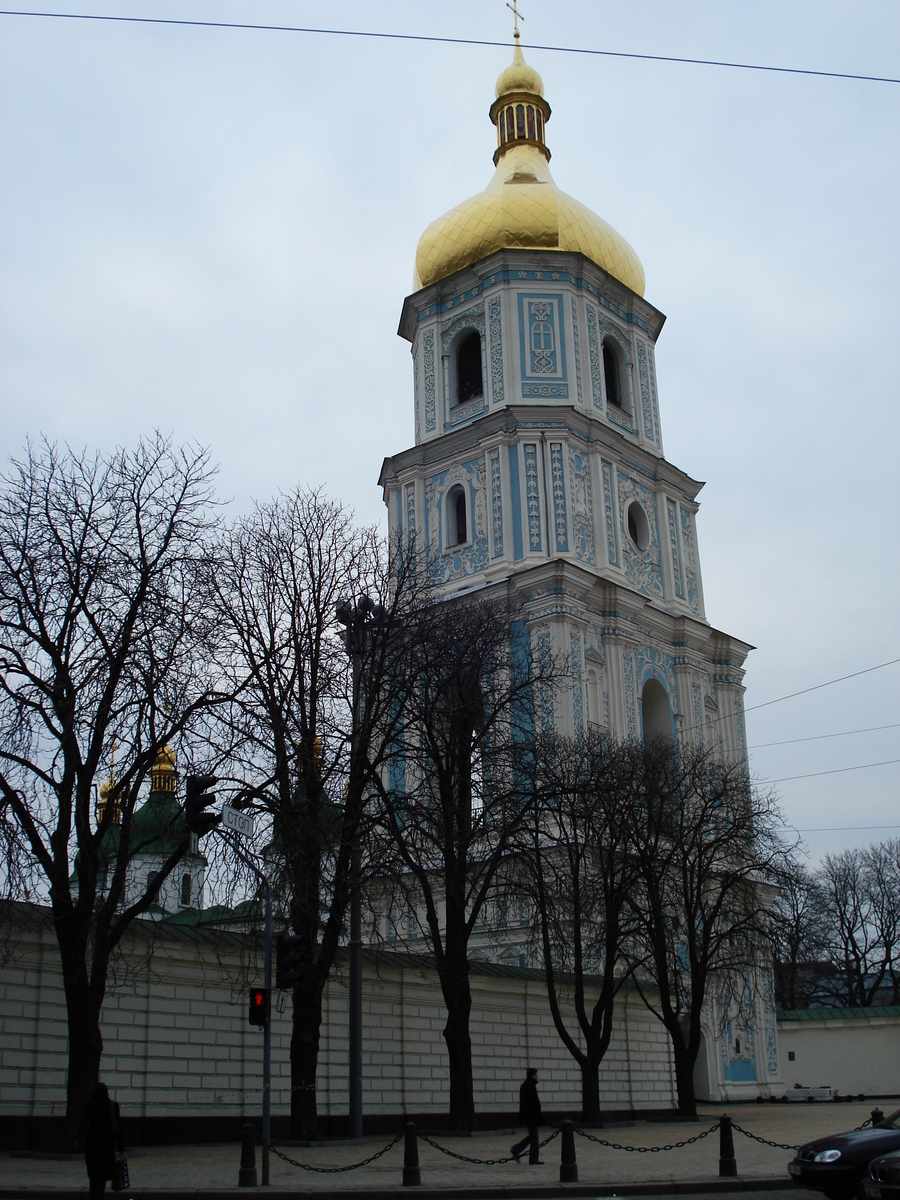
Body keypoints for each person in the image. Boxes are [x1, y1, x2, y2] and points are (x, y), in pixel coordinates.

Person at [81, 1082, 124, 1199]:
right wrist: (121, 1146)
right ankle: (99, 1195)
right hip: (107, 1145)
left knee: (94, 1175)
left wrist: (77, 1138)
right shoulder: (112, 1106)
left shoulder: (90, 1106)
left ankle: (93, 1196)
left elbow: (84, 1125)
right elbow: (118, 1126)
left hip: (92, 1145)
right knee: (103, 1175)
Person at [511, 1066, 543, 1165]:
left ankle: (516, 1149)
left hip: (527, 1115)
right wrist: (539, 1115)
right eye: (536, 1075)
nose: (538, 1077)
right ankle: (533, 1159)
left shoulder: (526, 1085)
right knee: (534, 1137)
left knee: (532, 1136)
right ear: (533, 1076)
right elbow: (534, 1103)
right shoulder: (530, 1086)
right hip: (531, 1116)